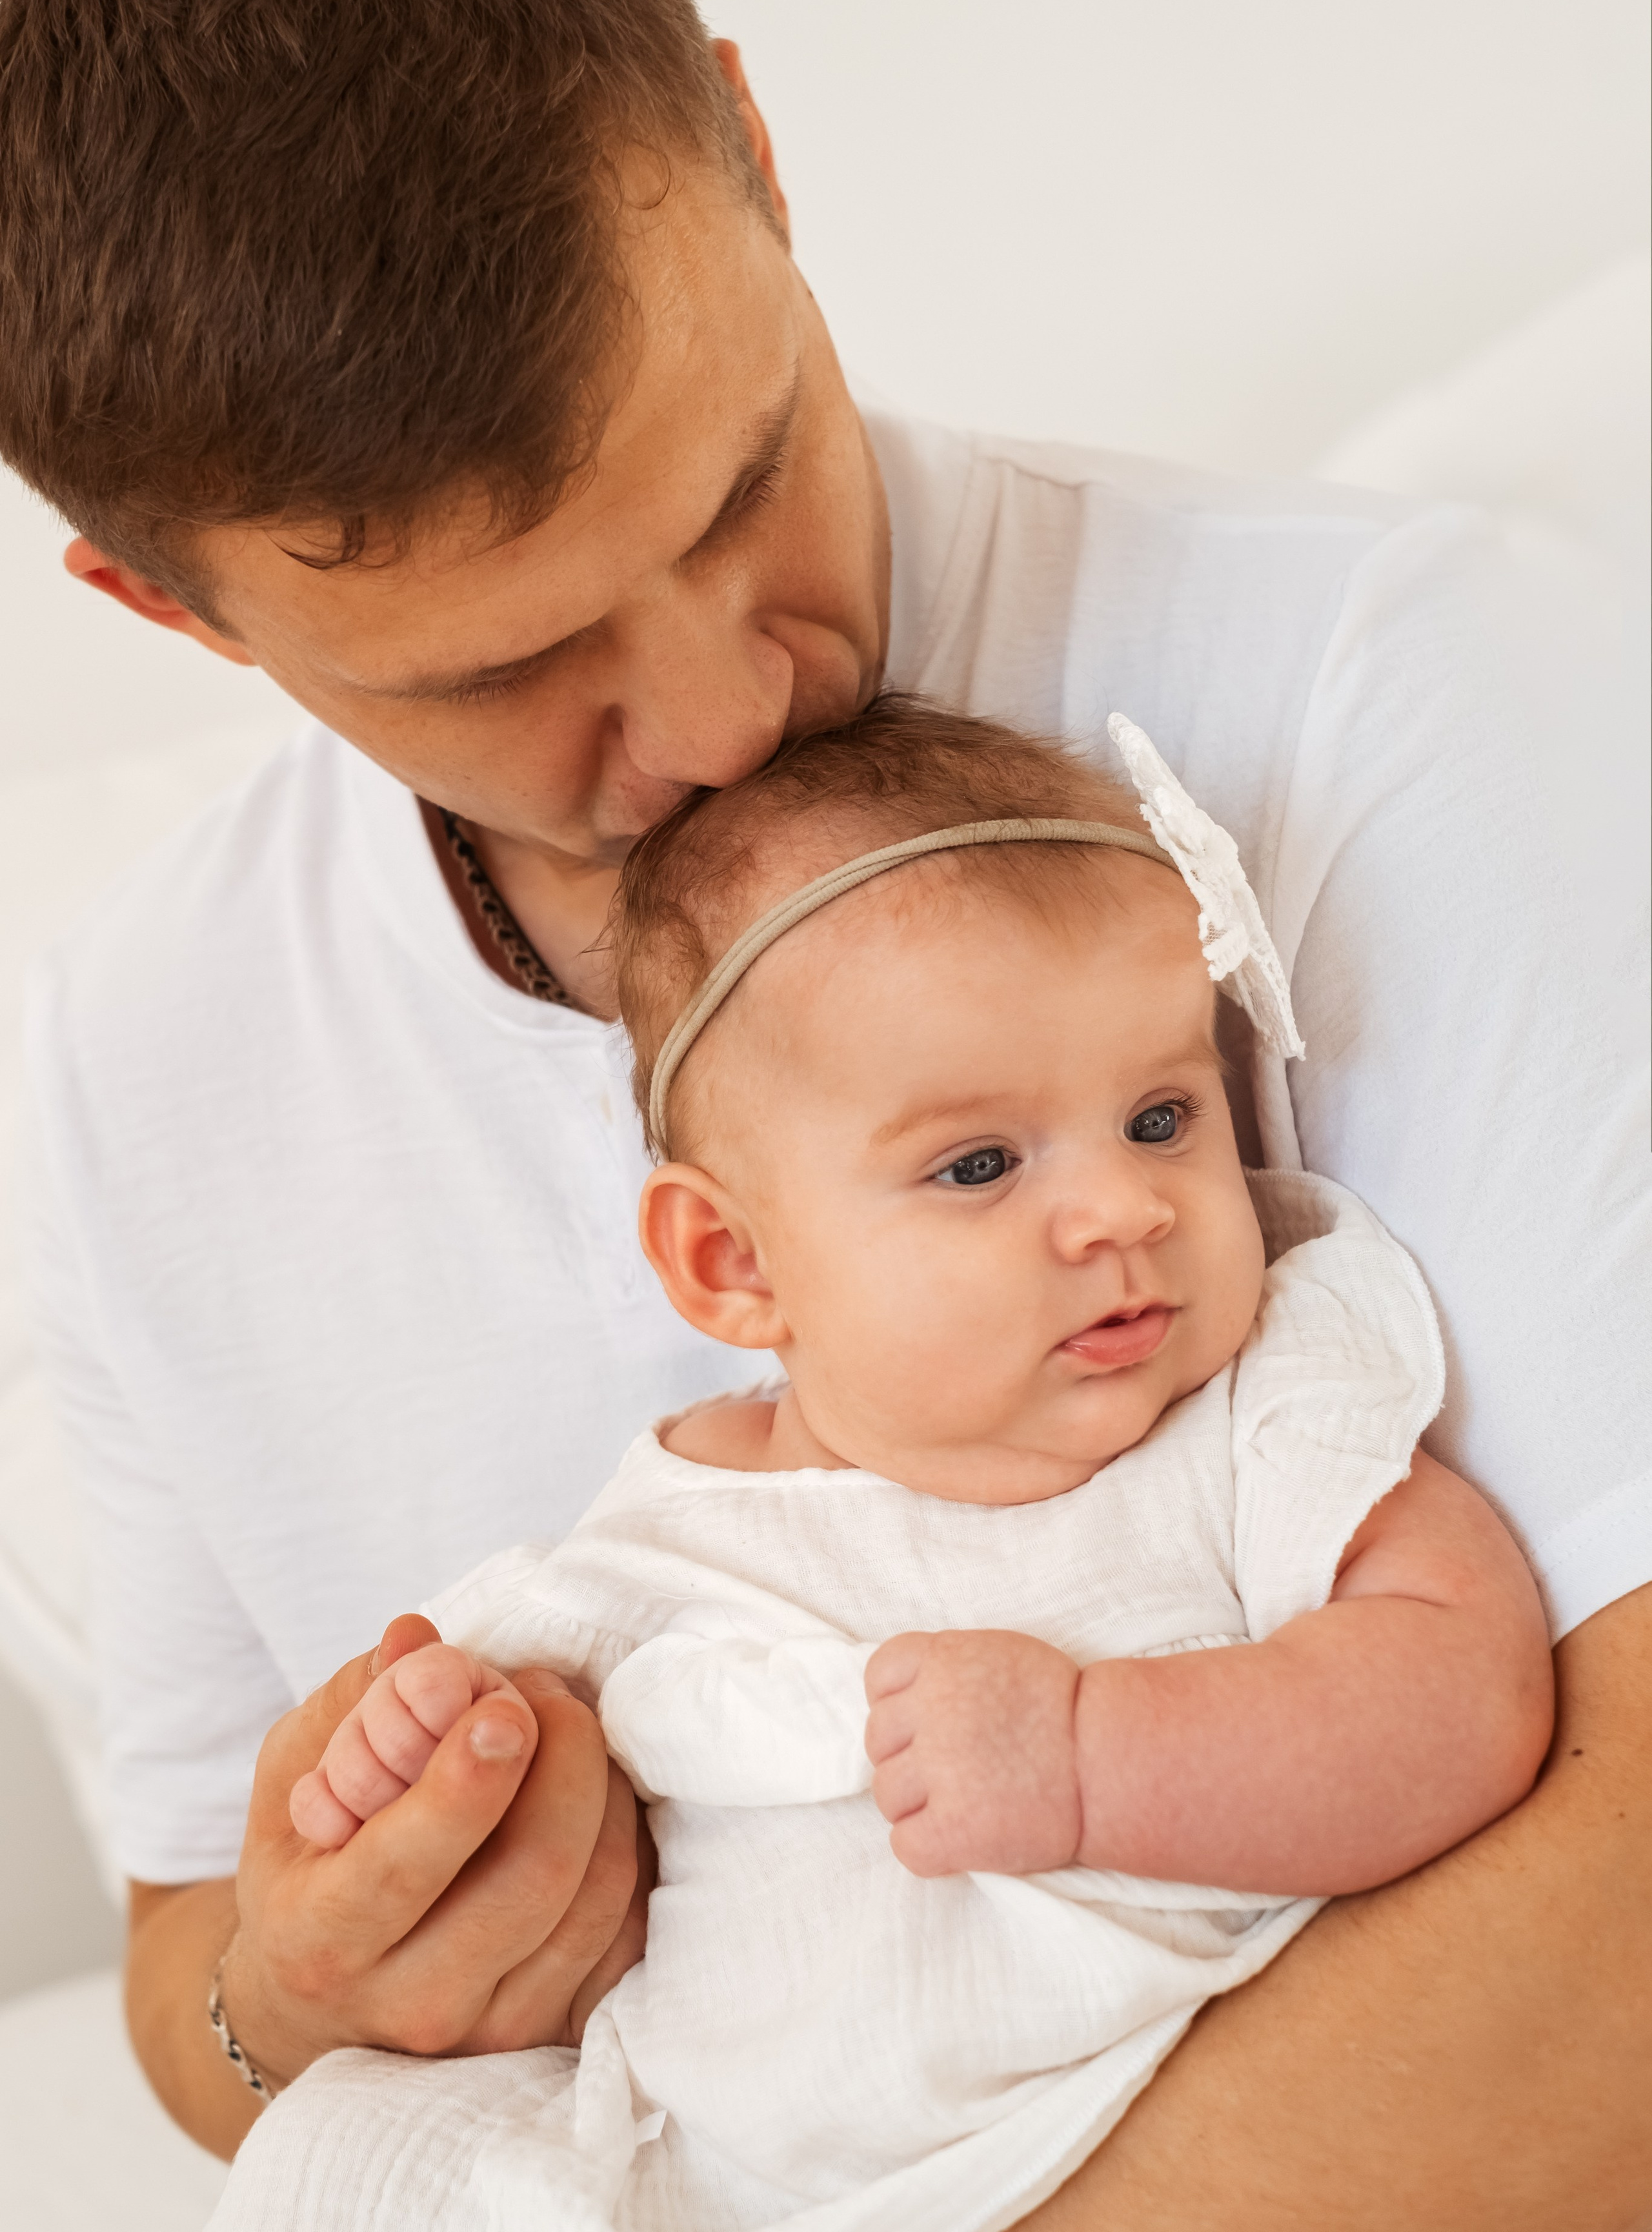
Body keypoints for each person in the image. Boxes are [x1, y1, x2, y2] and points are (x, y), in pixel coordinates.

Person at [0, 0, 1644, 2224]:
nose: (730, 718)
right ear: (181, 617)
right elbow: (183, 1982)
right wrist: (324, 1993)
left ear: (756, 154)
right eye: (516, 661)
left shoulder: (1417, 696)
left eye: (738, 475)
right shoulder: (135, 1066)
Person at [214, 698, 1553, 2232]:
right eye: (980, 1165)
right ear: (731, 1262)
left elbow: (1467, 1693)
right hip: (698, 2172)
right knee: (336, 2159)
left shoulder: (1256, 1410)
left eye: (1161, 1115)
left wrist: (1088, 1757)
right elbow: (513, 1743)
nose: (1123, 1209)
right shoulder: (683, 1523)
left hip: (1105, 2139)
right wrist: (420, 1743)